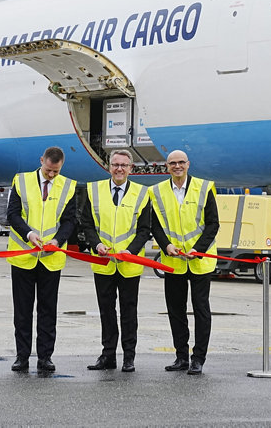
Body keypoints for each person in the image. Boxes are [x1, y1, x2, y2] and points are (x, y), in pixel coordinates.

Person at [6, 146, 78, 372]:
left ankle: (45, 356)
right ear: (41, 161)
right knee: (23, 310)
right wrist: (29, 234)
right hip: (24, 256)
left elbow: (70, 220)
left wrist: (57, 240)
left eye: (56, 172)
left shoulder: (68, 186)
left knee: (48, 310)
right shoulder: (21, 181)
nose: (51, 175)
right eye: (48, 170)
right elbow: (13, 214)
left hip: (51, 258)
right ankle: (22, 356)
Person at [148, 149, 219, 375]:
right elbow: (155, 225)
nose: (177, 166)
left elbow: (213, 224)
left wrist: (198, 249)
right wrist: (166, 246)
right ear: (166, 167)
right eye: (172, 163)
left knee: (201, 310)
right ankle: (181, 356)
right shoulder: (156, 191)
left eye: (181, 162)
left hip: (199, 261)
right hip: (174, 260)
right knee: (175, 311)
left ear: (188, 164)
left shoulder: (205, 188)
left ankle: (198, 358)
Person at [82, 149, 152, 373]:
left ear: (131, 168)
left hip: (129, 264)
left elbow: (144, 230)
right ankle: (108, 355)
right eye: (115, 164)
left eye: (124, 165)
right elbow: (87, 224)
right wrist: (96, 245)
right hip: (103, 263)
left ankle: (128, 357)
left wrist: (131, 250)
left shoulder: (142, 194)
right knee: (106, 312)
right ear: (108, 167)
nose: (119, 169)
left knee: (128, 312)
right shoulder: (94, 190)